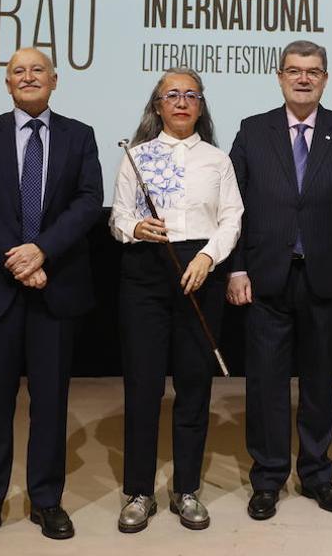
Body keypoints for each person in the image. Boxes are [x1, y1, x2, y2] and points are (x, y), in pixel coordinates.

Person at [0, 47, 103, 550]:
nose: (29, 77)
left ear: (55, 81)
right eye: (19, 71)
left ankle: (46, 499)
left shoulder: (80, 135)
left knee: (51, 400)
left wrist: (42, 252)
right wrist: (14, 257)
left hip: (56, 284)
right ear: (7, 83)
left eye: (38, 70)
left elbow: (87, 201)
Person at [226, 39, 332, 520]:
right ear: (279, 76)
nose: (303, 78)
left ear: (326, 78)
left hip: (328, 279)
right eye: (294, 70)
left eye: (313, 71)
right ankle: (268, 478)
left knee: (319, 383)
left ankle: (317, 475)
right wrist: (235, 266)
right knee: (266, 384)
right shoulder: (253, 131)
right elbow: (231, 207)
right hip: (266, 277)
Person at [108, 68, 243, 533]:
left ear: (201, 106)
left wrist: (208, 258)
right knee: (143, 387)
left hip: (198, 272)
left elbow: (232, 219)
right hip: (145, 272)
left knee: (193, 385)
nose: (182, 102)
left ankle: (187, 489)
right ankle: (139, 491)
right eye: (172, 95)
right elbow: (118, 215)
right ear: (158, 105)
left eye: (191, 95)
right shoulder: (136, 156)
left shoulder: (218, 160)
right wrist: (134, 227)